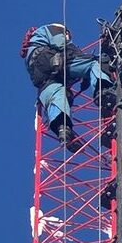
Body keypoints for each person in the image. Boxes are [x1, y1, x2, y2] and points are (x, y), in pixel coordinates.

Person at [22, 23, 112, 152]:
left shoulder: (31, 46)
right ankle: (103, 90)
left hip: (42, 77)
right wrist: (81, 58)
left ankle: (63, 130)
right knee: (94, 64)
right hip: (51, 60)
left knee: (59, 95)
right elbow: (63, 45)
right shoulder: (55, 29)